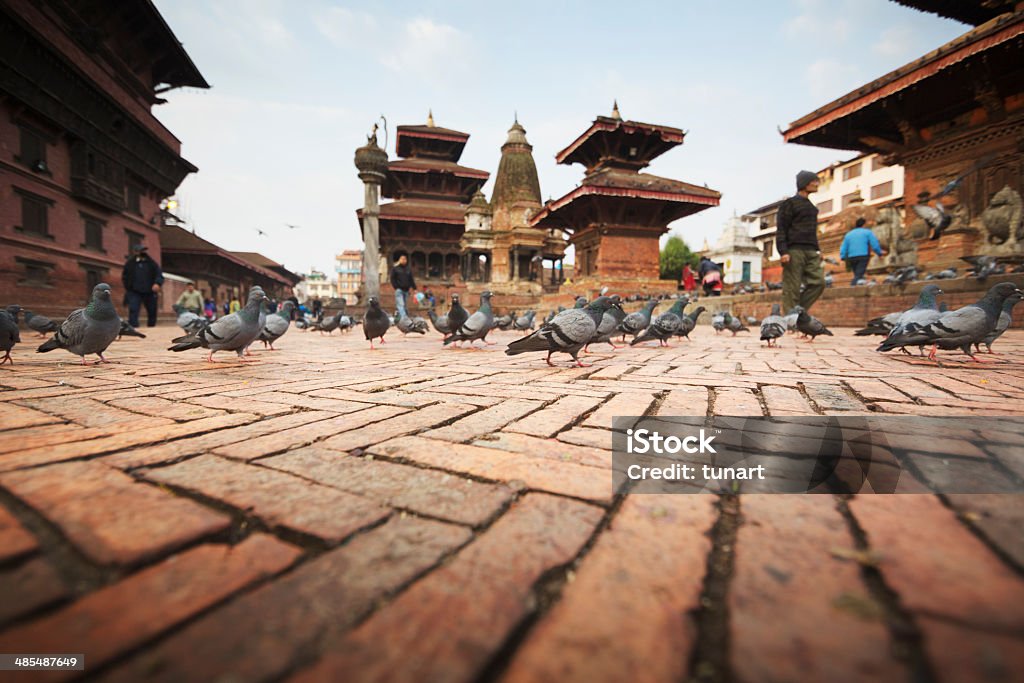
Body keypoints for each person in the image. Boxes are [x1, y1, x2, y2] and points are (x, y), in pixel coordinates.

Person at [777, 170, 826, 312]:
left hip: (811, 250)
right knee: (792, 287)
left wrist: (818, 249)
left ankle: (798, 312)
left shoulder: (812, 208)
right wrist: (783, 251)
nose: (817, 184)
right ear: (804, 183)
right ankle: (790, 319)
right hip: (794, 250)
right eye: (814, 181)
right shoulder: (789, 204)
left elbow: (813, 231)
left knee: (819, 283)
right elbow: (781, 228)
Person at [120, 244, 164, 327]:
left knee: (152, 310)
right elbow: (125, 277)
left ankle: (151, 327)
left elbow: (159, 274)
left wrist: (157, 283)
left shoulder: (152, 263)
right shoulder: (130, 264)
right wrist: (128, 287)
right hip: (134, 291)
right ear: (135, 252)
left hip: (149, 291)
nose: (142, 252)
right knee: (133, 309)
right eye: (140, 251)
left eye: (143, 250)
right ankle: (134, 327)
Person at [840, 218, 884, 284]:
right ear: (864, 224)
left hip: (851, 257)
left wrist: (843, 256)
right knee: (858, 275)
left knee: (857, 274)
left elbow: (843, 246)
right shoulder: (867, 232)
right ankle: (852, 285)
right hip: (863, 256)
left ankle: (857, 288)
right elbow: (874, 244)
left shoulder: (848, 234)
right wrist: (879, 253)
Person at [390, 253, 416, 319]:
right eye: (402, 259)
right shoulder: (395, 269)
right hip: (399, 290)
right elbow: (392, 279)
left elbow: (411, 279)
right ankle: (404, 318)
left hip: (406, 290)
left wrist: (414, 288)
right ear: (399, 260)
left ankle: (399, 318)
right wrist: (396, 287)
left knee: (404, 305)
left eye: (405, 259)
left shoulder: (408, 269)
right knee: (400, 304)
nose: (404, 260)